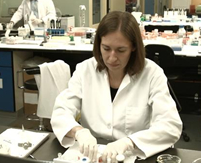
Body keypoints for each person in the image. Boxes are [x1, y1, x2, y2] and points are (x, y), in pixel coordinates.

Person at [51, 11, 182, 163]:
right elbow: (61, 111)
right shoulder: (84, 70)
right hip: (92, 155)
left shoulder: (152, 74)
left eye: (121, 50)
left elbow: (170, 126)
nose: (112, 58)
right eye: (106, 48)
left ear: (133, 47)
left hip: (134, 155)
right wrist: (79, 132)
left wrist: (129, 142)